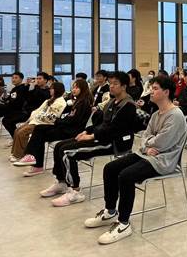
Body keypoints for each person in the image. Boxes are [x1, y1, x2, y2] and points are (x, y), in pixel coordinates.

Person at [83, 75, 187, 245]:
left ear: (166, 92)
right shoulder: (156, 114)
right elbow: (145, 136)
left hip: (163, 160)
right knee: (110, 168)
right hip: (147, 154)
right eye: (151, 88)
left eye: (155, 89)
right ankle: (110, 211)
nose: (151, 92)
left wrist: (149, 143)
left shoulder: (175, 115)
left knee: (126, 176)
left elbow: (162, 143)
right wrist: (147, 147)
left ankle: (124, 223)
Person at [40, 71, 137, 207]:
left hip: (114, 142)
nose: (111, 86)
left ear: (124, 86)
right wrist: (86, 131)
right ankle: (62, 182)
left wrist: (92, 136)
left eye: (115, 84)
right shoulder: (112, 102)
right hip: (101, 136)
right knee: (59, 146)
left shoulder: (128, 105)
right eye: (110, 83)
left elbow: (114, 129)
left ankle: (75, 190)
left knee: (67, 152)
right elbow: (101, 123)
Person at [14, 79, 92, 176]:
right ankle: (34, 160)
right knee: (39, 129)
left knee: (40, 132)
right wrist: (58, 120)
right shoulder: (77, 101)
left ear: (83, 89)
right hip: (65, 127)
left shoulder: (83, 103)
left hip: (71, 131)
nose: (73, 90)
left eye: (76, 88)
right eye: (73, 87)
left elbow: (72, 120)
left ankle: (34, 161)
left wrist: (57, 121)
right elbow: (67, 117)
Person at [9, 82, 66, 162]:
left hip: (45, 123)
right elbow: (37, 111)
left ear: (57, 90)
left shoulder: (61, 102)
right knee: (17, 130)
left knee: (22, 132)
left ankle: (19, 155)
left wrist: (36, 117)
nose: (50, 90)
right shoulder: (49, 100)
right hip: (36, 120)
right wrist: (28, 121)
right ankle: (15, 153)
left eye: (52, 88)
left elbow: (51, 117)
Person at [2, 72, 50, 139]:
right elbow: (28, 99)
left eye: (40, 79)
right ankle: (16, 138)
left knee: (8, 121)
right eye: (37, 79)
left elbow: (44, 97)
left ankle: (17, 138)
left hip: (35, 114)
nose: (38, 80)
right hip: (26, 112)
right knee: (6, 120)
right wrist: (30, 87)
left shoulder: (48, 91)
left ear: (45, 80)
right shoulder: (34, 88)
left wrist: (34, 88)